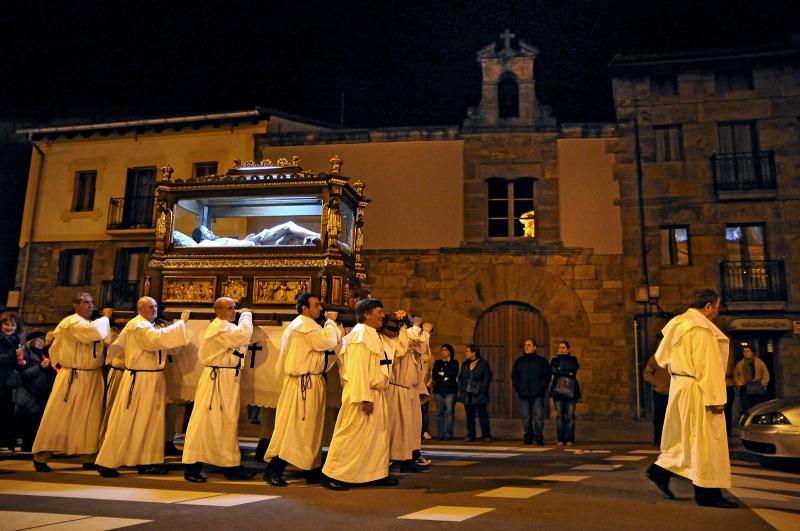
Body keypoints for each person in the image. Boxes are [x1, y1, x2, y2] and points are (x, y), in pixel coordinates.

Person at [645, 289, 738, 509]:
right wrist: (716, 399)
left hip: (680, 386)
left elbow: (660, 357)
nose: (717, 311)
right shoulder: (701, 330)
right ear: (707, 307)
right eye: (716, 307)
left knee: (684, 438)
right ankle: (707, 493)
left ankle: (660, 471)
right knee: (707, 441)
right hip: (697, 388)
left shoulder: (677, 324)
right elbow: (709, 367)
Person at [95, 297, 190, 477]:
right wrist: (181, 324)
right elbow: (155, 341)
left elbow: (166, 344)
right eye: (150, 307)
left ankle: (146, 461)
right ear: (140, 309)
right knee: (128, 421)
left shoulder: (149, 325)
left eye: (155, 306)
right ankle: (107, 462)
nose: (154, 309)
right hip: (139, 379)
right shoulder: (138, 325)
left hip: (153, 378)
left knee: (149, 422)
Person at [263, 293, 341, 487]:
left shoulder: (307, 325)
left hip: (311, 382)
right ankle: (274, 469)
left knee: (311, 430)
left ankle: (311, 470)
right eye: (316, 305)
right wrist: (331, 322)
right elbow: (327, 342)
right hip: (302, 384)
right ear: (304, 308)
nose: (320, 309)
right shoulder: (304, 326)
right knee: (294, 429)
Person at [321, 298, 398, 491]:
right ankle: (333, 473)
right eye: (379, 312)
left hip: (376, 393)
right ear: (367, 314)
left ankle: (374, 473)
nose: (383, 316)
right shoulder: (359, 336)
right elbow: (357, 369)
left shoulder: (373, 334)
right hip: (362, 394)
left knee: (375, 437)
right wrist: (364, 397)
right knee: (351, 434)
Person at [32, 293, 112, 471]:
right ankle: (41, 455)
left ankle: (88, 455)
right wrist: (106, 317)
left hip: (92, 375)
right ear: (75, 305)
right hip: (73, 377)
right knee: (60, 416)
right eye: (85, 303)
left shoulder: (91, 323)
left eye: (92, 303)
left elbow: (105, 338)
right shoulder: (71, 322)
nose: (90, 306)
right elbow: (94, 333)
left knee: (90, 417)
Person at [183, 297, 259, 482]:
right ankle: (192, 467)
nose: (234, 311)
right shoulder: (220, 327)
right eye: (229, 308)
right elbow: (243, 335)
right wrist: (247, 315)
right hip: (216, 379)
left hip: (226, 378)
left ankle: (231, 465)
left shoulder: (224, 326)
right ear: (218, 311)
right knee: (204, 422)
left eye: (235, 308)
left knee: (227, 423)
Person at [384, 312, 428, 473]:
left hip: (408, 390)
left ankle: (408, 458)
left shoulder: (406, 340)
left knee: (410, 428)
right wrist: (412, 325)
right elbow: (405, 346)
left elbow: (420, 345)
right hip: (396, 390)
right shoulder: (393, 341)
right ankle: (397, 459)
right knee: (398, 428)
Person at [15, 331, 57, 452]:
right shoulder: (25, 354)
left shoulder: (44, 354)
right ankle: (28, 445)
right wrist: (39, 367)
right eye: (38, 340)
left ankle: (36, 445)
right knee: (30, 421)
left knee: (38, 421)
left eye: (43, 340)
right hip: (28, 393)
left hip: (41, 393)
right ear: (31, 341)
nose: (41, 342)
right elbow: (23, 374)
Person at [512, 339, 551, 445]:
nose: (526, 347)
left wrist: (541, 388)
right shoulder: (519, 361)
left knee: (538, 417)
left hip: (538, 394)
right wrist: (518, 388)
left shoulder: (541, 361)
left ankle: (539, 437)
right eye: (525, 345)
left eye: (529, 345)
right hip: (524, 394)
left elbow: (546, 376)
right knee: (526, 417)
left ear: (535, 347)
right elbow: (514, 376)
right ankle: (528, 436)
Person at [1, 312, 26, 450]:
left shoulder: (15, 341)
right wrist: (14, 356)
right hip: (1, 379)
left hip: (10, 381)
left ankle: (8, 441)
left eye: (12, 325)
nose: (9, 327)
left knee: (8, 410)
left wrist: (20, 362)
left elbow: (14, 360)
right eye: (6, 324)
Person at [457, 344, 492, 442]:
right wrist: (461, 388)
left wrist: (482, 390)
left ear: (474, 352)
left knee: (483, 416)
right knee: (469, 416)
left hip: (479, 394)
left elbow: (487, 378)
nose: (465, 353)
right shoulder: (465, 364)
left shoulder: (483, 363)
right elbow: (460, 377)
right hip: (468, 394)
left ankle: (486, 435)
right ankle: (471, 435)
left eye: (467, 351)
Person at [550, 341, 581, 447]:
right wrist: (567, 372)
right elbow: (554, 370)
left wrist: (561, 369)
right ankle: (560, 439)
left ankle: (569, 439)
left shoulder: (573, 359)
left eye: (563, 347)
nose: (561, 349)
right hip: (558, 391)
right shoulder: (554, 360)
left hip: (571, 391)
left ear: (568, 350)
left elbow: (574, 368)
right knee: (559, 416)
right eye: (559, 347)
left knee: (570, 416)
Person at [432, 344, 458, 441]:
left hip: (450, 391)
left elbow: (453, 374)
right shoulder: (437, 363)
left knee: (449, 412)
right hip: (439, 391)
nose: (442, 352)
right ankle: (440, 434)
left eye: (445, 350)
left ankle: (448, 433)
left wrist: (442, 373)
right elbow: (434, 375)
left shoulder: (454, 363)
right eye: (442, 350)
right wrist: (445, 376)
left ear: (450, 352)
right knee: (439, 413)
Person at [734, 344, 770, 414]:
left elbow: (765, 373)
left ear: (752, 353)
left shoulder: (758, 362)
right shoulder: (740, 363)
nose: (745, 353)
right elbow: (735, 374)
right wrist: (739, 383)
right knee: (746, 406)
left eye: (748, 351)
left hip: (756, 386)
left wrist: (764, 383)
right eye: (744, 352)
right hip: (745, 387)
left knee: (757, 405)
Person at [643, 351, 670, 446]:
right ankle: (658, 440)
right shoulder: (655, 358)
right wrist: (656, 383)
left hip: (674, 392)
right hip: (660, 392)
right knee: (659, 417)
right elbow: (647, 373)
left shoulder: (675, 356)